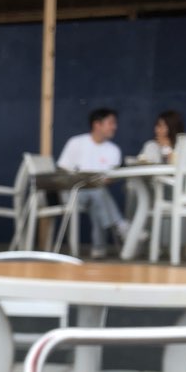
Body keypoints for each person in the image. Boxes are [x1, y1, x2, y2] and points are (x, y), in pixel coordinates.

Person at [57, 107, 132, 259]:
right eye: (111, 123)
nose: (114, 127)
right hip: (71, 194)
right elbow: (61, 171)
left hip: (96, 194)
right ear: (97, 124)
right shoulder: (76, 142)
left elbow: (109, 179)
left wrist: (96, 181)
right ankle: (120, 225)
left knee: (97, 194)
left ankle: (99, 247)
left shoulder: (113, 150)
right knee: (97, 190)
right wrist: (82, 180)